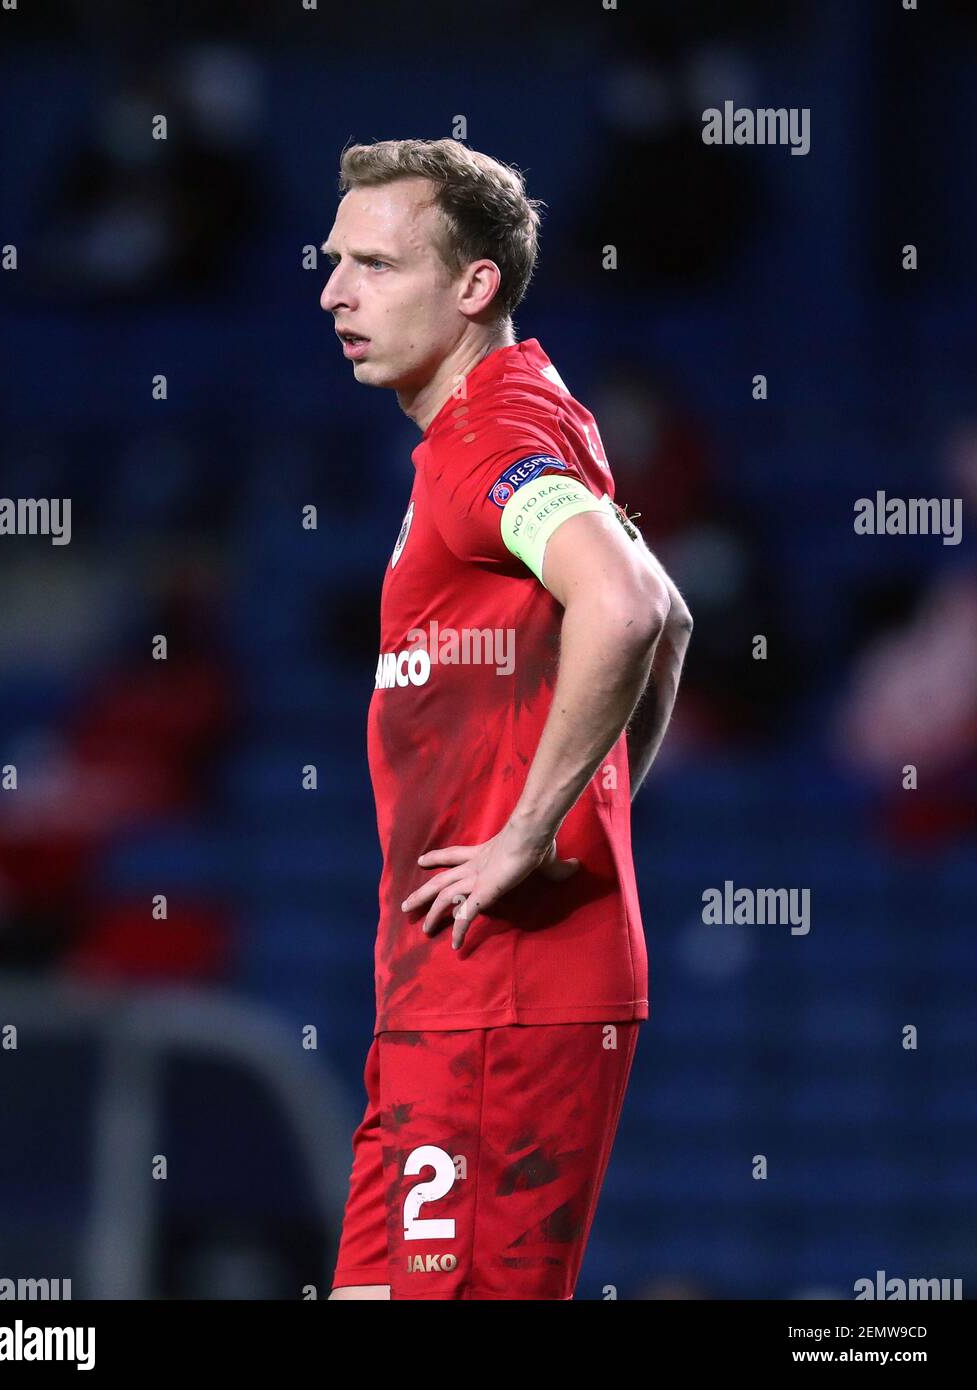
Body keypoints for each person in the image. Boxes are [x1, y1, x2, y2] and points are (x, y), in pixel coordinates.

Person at [319, 138, 692, 1300]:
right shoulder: (509, 413)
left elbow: (627, 607)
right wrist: (592, 799)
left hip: (503, 1000)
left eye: (375, 265)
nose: (334, 292)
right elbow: (668, 614)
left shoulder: (489, 436)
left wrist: (535, 833)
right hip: (444, 996)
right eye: (335, 261)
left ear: (474, 285)